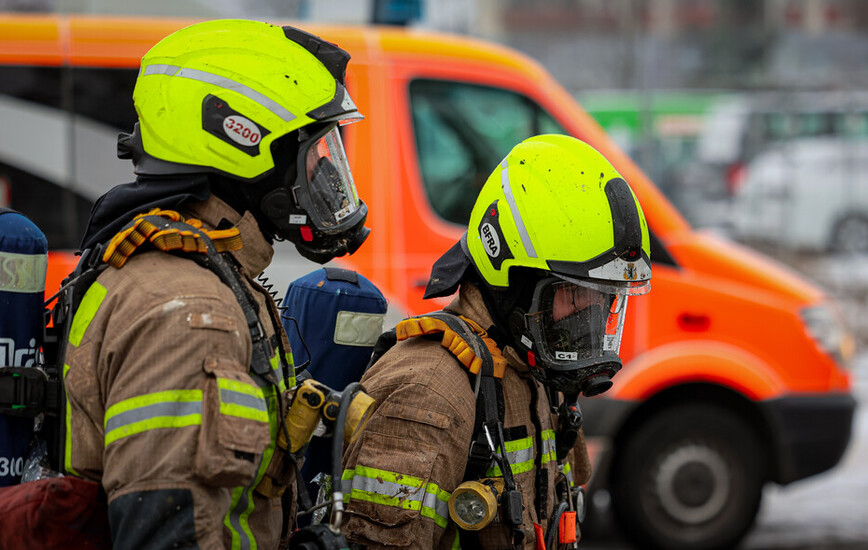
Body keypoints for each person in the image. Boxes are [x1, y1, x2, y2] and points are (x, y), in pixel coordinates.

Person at [61, 19, 369, 549]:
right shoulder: (187, 313)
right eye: (313, 155)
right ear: (242, 142)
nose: (325, 178)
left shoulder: (207, 278)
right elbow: (168, 536)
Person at [340, 134, 653, 549]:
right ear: (512, 280)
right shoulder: (428, 395)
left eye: (603, 300)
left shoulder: (532, 370)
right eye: (573, 295)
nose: (588, 318)